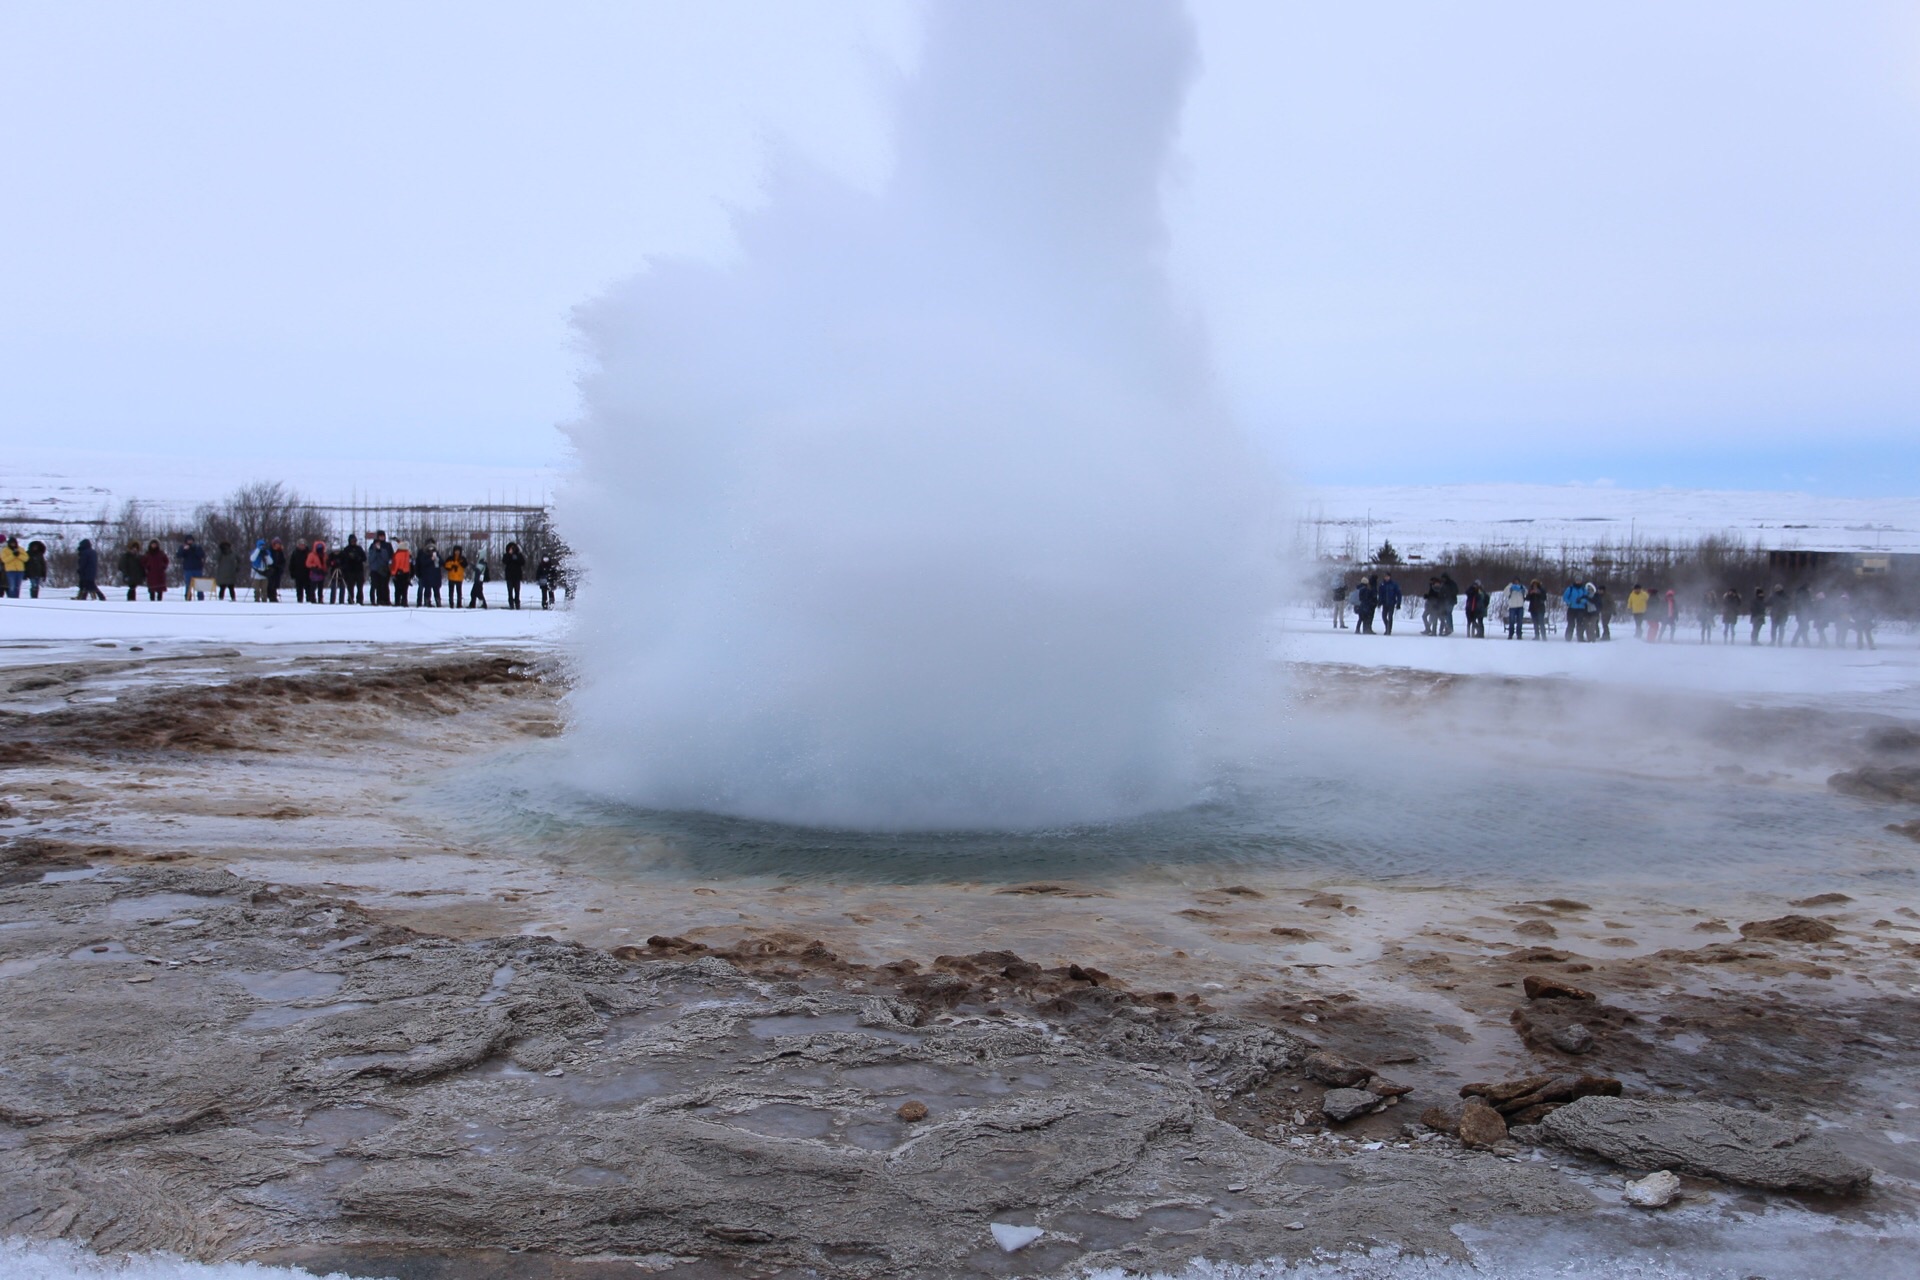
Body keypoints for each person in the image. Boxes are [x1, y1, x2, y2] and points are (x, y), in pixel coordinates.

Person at [338, 534, 368, 605]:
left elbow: (364, 558)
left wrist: (358, 558)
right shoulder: (346, 549)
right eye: (352, 541)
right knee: (350, 587)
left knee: (360, 587)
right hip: (350, 571)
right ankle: (350, 600)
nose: (353, 542)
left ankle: (360, 600)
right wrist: (349, 559)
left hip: (359, 570)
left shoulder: (359, 549)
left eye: (354, 541)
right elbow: (342, 561)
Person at [367, 531, 394, 606]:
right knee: (377, 586)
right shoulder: (372, 546)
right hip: (375, 569)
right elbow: (371, 559)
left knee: (384, 585)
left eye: (383, 536)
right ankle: (379, 600)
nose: (382, 538)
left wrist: (381, 551)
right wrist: (376, 550)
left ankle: (386, 600)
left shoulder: (387, 545)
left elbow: (388, 557)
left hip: (384, 569)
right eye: (380, 536)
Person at [177, 535, 205, 599]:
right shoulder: (182, 547)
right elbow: (179, 555)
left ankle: (200, 597)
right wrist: (184, 550)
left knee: (199, 584)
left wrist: (194, 550)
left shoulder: (197, 547)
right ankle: (188, 596)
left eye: (191, 540)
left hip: (197, 568)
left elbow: (202, 555)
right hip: (188, 568)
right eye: (188, 540)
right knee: (188, 584)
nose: (190, 541)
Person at [416, 541, 443, 607]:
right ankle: (427, 602)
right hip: (427, 576)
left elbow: (442, 563)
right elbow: (423, 563)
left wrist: (437, 559)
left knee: (436, 590)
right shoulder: (424, 555)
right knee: (427, 590)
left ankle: (438, 603)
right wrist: (431, 559)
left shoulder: (437, 554)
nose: (431, 551)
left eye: (432, 549)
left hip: (436, 576)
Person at [501, 541, 526, 610]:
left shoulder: (519, 555)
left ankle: (517, 603)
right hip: (509, 576)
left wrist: (516, 558)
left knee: (517, 591)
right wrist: (509, 555)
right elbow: (504, 561)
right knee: (510, 591)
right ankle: (511, 603)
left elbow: (523, 562)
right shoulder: (506, 555)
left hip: (517, 576)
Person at [392, 541, 414, 606]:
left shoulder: (397, 554)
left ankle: (397, 602)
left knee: (397, 590)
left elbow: (395, 565)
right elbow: (411, 565)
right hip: (406, 574)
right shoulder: (408, 554)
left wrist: (393, 573)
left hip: (398, 573)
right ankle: (404, 602)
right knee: (405, 590)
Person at [266, 538, 287, 603]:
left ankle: (274, 596)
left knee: (275, 584)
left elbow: (283, 561)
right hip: (271, 570)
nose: (277, 545)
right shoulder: (269, 551)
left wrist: (281, 567)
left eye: (278, 544)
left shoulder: (280, 552)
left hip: (278, 570)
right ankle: (271, 596)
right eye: (276, 544)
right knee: (270, 584)